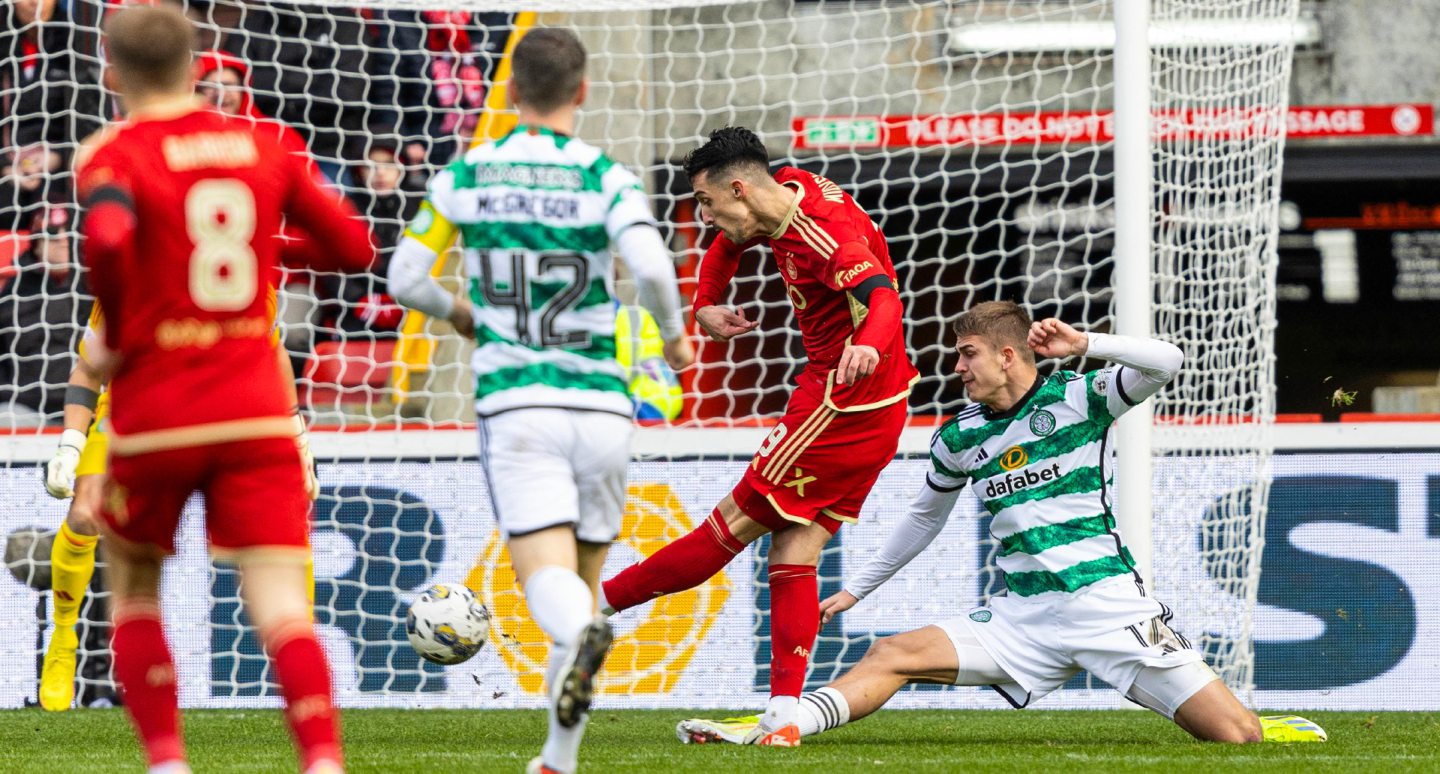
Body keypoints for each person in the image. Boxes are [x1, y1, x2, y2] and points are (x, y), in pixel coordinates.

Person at [677, 301, 1327, 746]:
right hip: (1020, 617)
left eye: (968, 355)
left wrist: (1086, 345)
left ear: (1010, 356)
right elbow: (923, 518)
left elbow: (1168, 361)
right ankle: (781, 728)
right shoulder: (960, 435)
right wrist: (857, 590)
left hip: (1105, 606)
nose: (958, 368)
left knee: (1237, 736)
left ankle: (1272, 726)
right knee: (891, 653)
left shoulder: (1080, 397)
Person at [385, 27, 692, 774]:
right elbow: (651, 265)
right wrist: (675, 339)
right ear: (582, 92)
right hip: (603, 409)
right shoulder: (604, 175)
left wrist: (457, 313)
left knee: (548, 585)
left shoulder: (471, 172)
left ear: (512, 91)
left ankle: (584, 640)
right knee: (581, 590)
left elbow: (403, 279)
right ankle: (558, 760)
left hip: (520, 405)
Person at [74, 5, 371, 772]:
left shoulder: (110, 152)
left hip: (156, 416)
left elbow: (107, 239)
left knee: (134, 590)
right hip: (255, 411)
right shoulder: (260, 145)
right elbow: (353, 247)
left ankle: (169, 762)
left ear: (112, 72)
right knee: (280, 605)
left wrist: (115, 335)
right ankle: (323, 760)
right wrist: (268, 243)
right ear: (198, 65)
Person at [598, 125, 919, 747]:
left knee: (728, 527)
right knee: (794, 552)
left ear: (739, 188)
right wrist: (707, 303)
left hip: (843, 402)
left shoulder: (826, 232)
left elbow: (883, 301)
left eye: (708, 202)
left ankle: (592, 605)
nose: (707, 215)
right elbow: (724, 247)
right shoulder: (783, 194)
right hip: (878, 405)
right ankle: (782, 719)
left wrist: (867, 348)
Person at [0, 203, 89, 428]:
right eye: (52, 231)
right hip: (29, 406)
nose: (62, 238)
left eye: (69, 230)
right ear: (36, 245)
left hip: (91, 403)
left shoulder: (98, 286)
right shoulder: (15, 293)